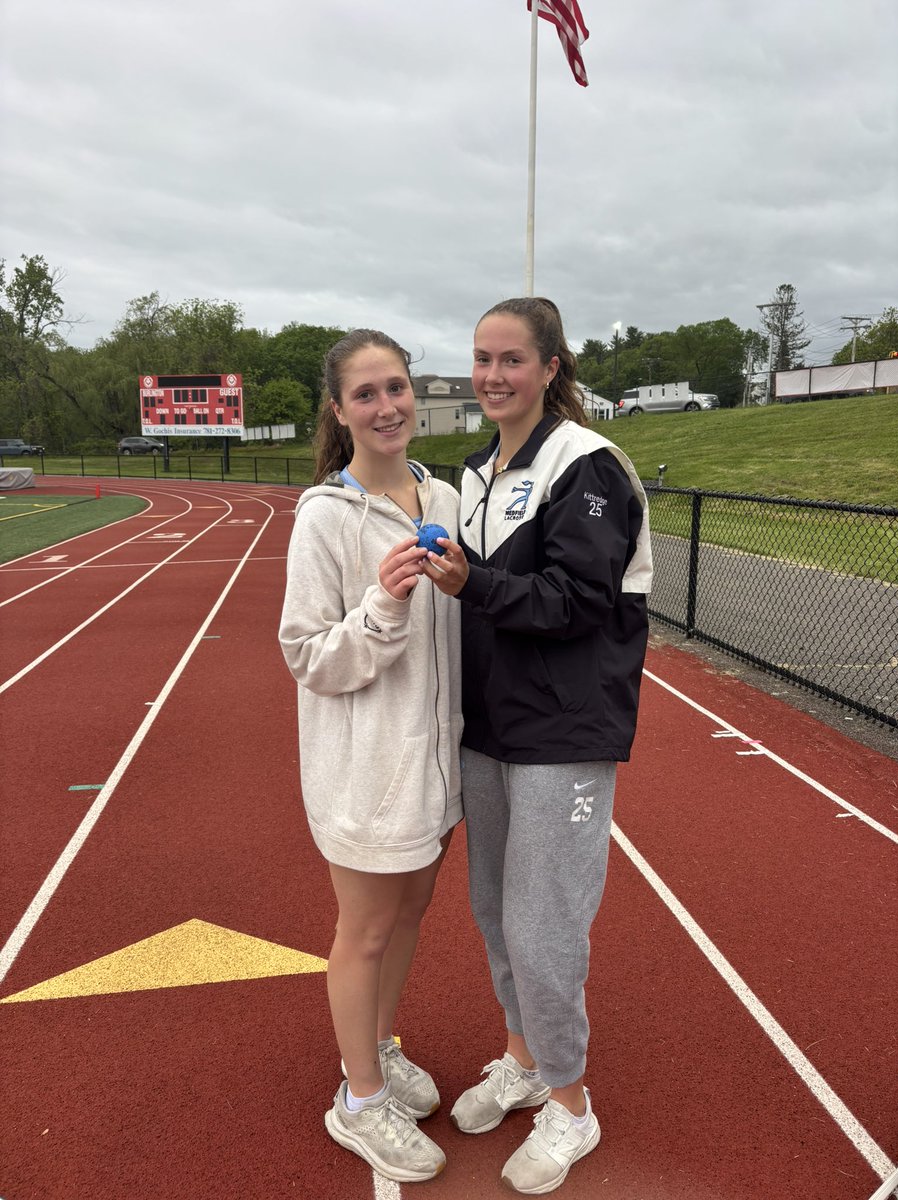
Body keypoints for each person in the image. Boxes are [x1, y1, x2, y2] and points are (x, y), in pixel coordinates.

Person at [422, 297, 653, 1194]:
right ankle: (522, 1057)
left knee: (543, 924)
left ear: (551, 367)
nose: (491, 376)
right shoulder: (479, 469)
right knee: (493, 912)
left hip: (564, 729)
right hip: (491, 728)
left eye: (511, 359)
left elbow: (577, 603)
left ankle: (572, 1103)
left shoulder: (586, 464)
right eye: (481, 358)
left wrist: (470, 584)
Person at [278, 329, 466, 1183]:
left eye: (397, 387)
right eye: (367, 393)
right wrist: (381, 608)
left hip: (434, 765)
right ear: (340, 409)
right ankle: (357, 1100)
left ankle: (381, 1050)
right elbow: (308, 656)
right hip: (363, 771)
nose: (387, 406)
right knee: (363, 930)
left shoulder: (447, 495)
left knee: (409, 917)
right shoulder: (324, 516)